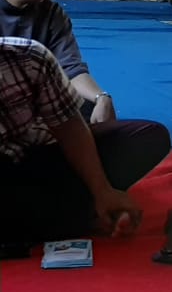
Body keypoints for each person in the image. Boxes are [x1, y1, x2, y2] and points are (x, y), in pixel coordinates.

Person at [0, 0, 167, 147]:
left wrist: (101, 97)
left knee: (88, 108)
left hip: (36, 101)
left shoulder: (52, 14)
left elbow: (70, 68)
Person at [0, 38, 152, 249]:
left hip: (32, 154)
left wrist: (102, 190)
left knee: (147, 136)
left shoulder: (29, 56)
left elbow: (70, 127)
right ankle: (71, 216)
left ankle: (78, 210)